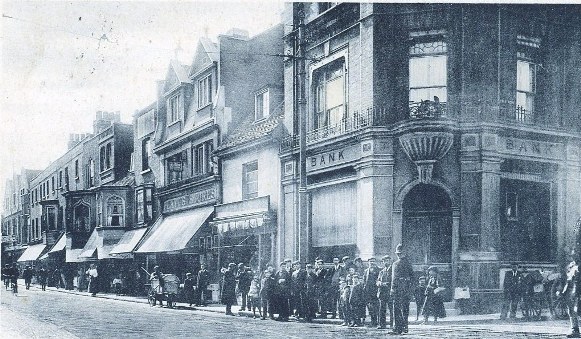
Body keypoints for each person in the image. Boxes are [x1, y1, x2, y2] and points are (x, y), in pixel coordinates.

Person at [390, 244, 414, 335]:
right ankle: (405, 327)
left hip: (398, 288)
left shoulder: (395, 264)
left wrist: (392, 288)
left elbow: (394, 278)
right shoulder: (409, 263)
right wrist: (410, 288)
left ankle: (397, 328)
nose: (399, 255)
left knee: (396, 308)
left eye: (400, 253)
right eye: (398, 253)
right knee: (405, 308)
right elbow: (412, 277)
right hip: (406, 288)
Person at [562, 250, 581, 338]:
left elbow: (577, 281)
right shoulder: (571, 266)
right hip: (570, 290)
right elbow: (568, 279)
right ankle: (574, 329)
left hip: (577, 291)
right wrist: (564, 291)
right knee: (571, 311)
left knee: (577, 310)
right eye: (572, 256)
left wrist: (575, 292)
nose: (573, 257)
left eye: (575, 256)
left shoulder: (579, 267)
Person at [363, 257, 380, 327]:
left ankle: (376, 322)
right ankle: (373, 321)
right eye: (370, 262)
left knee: (376, 307)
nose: (372, 263)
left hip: (375, 291)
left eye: (373, 261)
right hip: (368, 291)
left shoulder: (378, 270)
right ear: (368, 263)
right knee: (370, 307)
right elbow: (364, 281)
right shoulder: (366, 271)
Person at [376, 255, 392, 329]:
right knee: (382, 309)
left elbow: (393, 281)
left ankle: (393, 324)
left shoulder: (393, 270)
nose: (385, 262)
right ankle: (382, 324)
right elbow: (378, 280)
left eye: (387, 260)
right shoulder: (381, 271)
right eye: (384, 261)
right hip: (382, 292)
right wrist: (378, 283)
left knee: (392, 309)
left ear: (390, 261)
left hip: (390, 292)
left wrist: (385, 284)